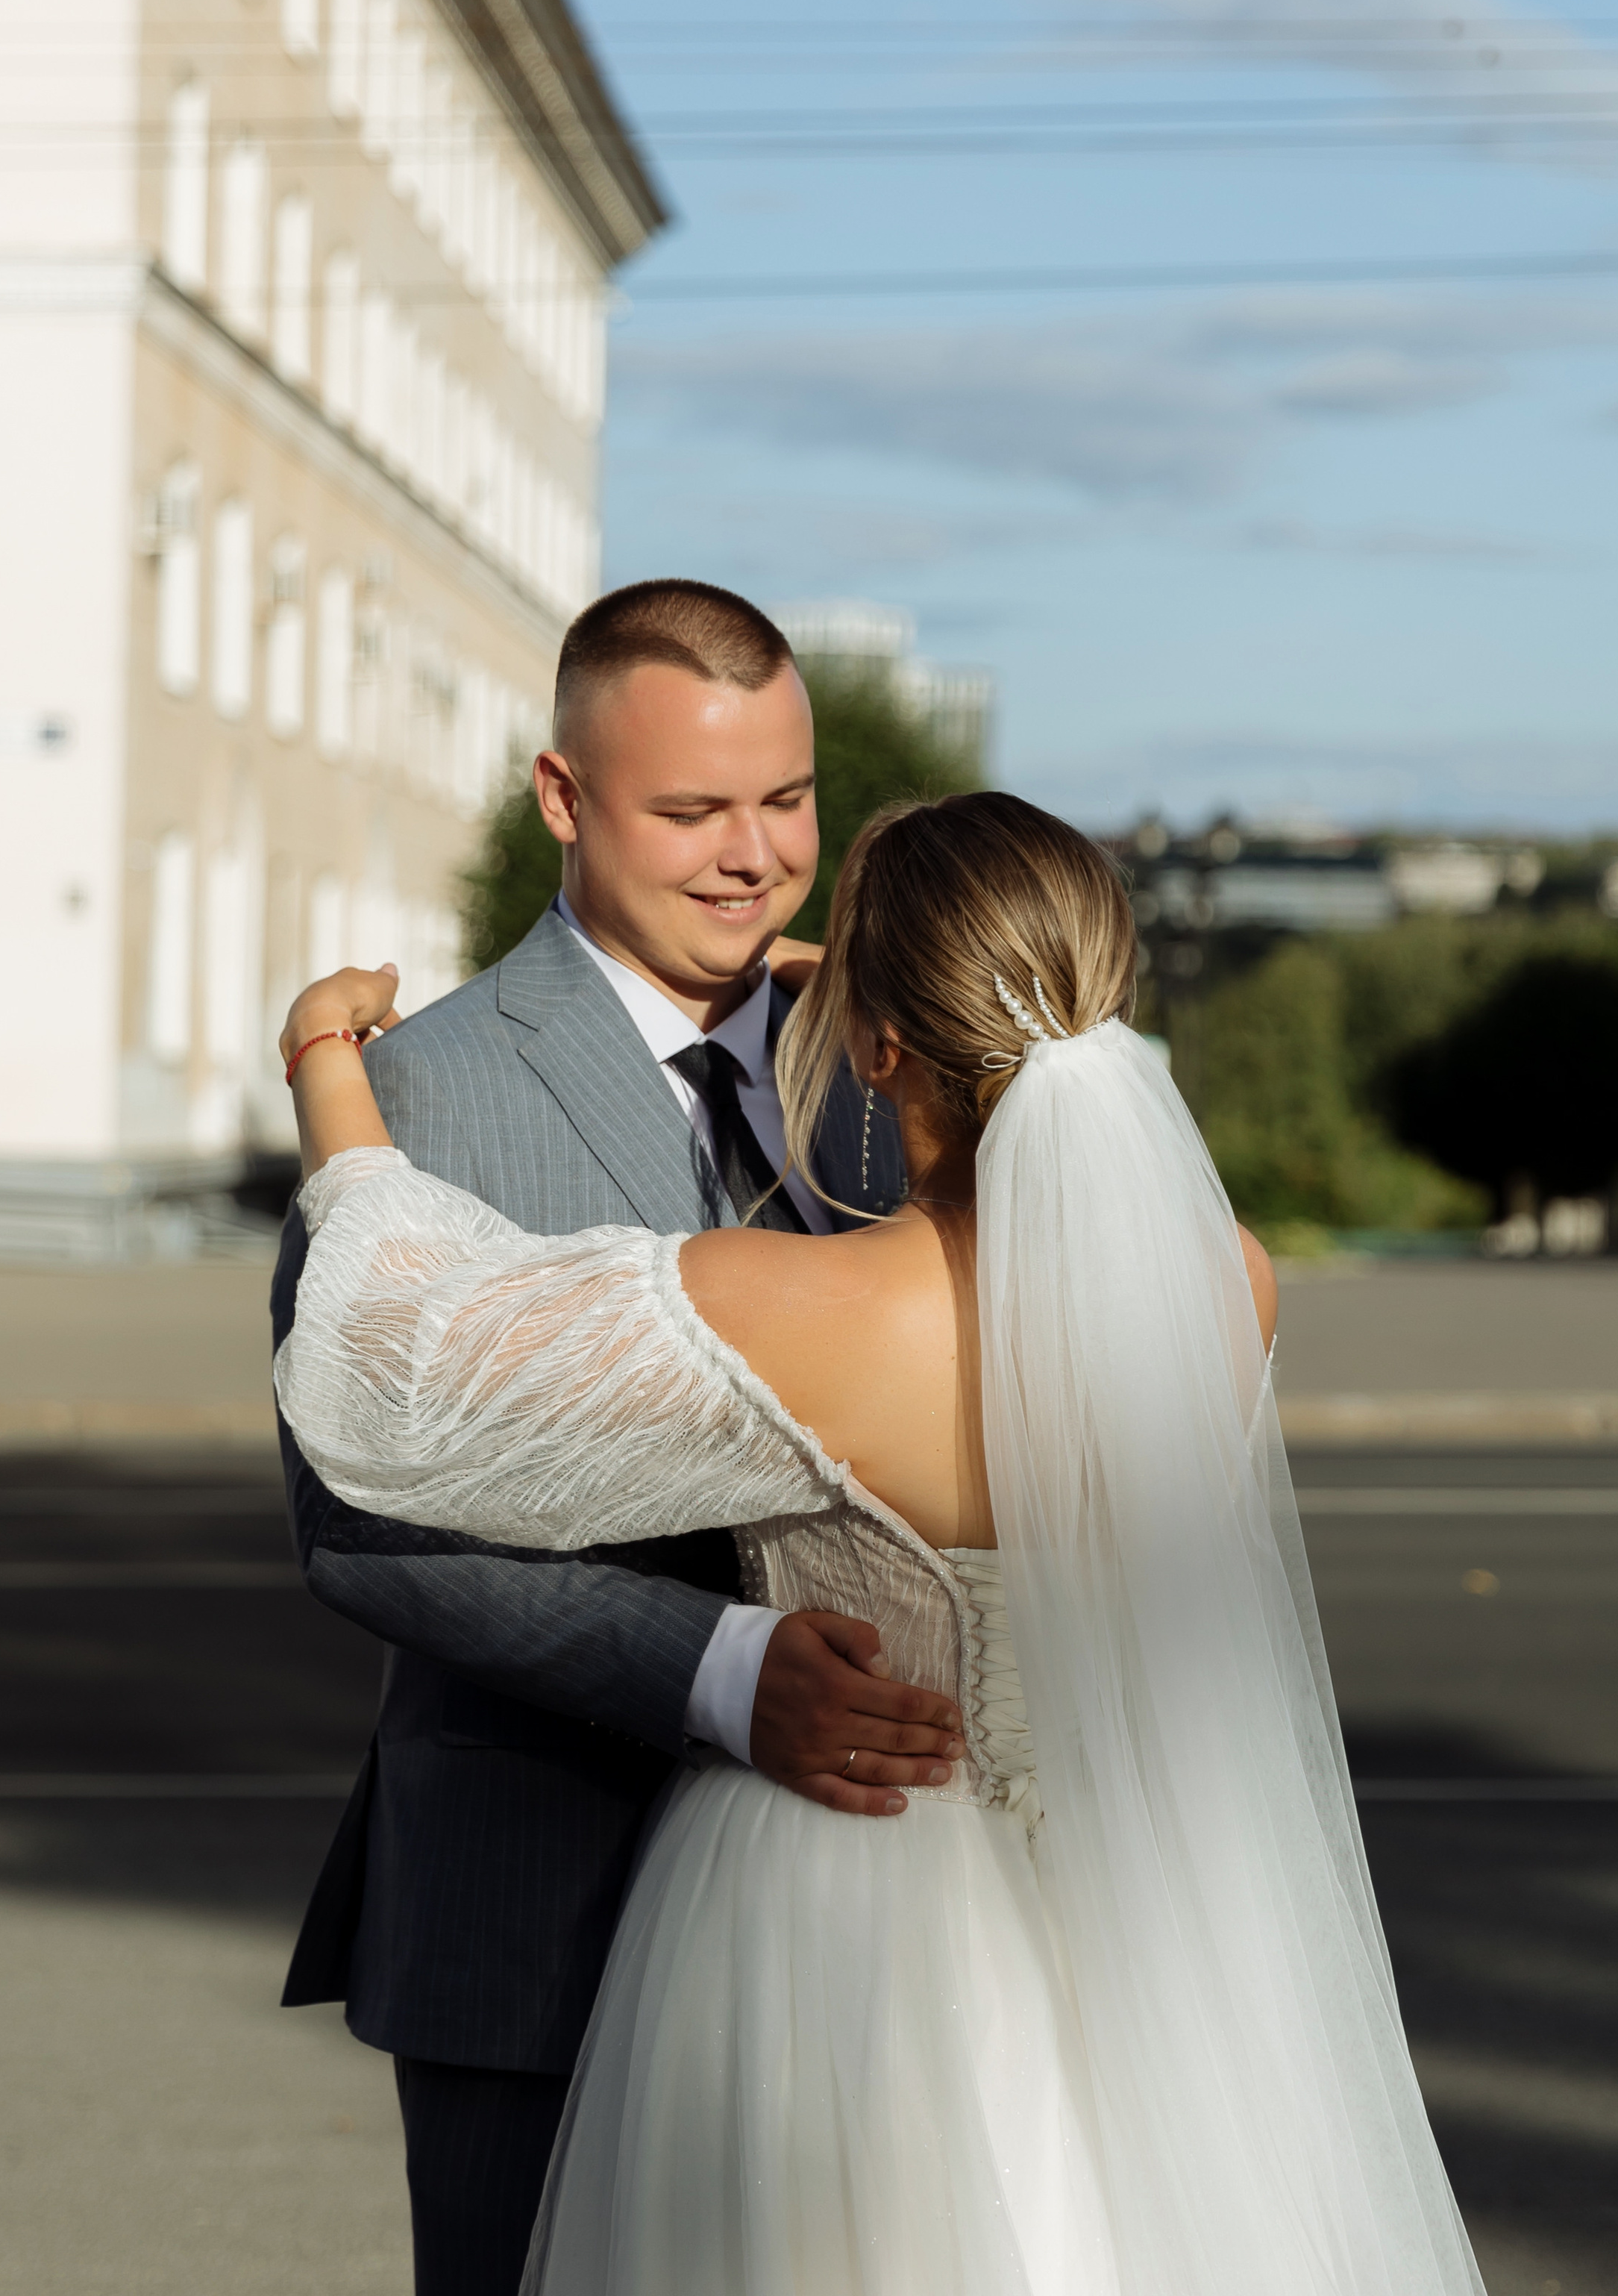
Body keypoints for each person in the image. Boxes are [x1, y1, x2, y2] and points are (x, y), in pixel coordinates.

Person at [276, 786, 1490, 2296]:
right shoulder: (1226, 1283)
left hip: (825, 1915)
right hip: (1116, 1916)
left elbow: (405, 1357)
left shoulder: (817, 1310)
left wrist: (329, 1069)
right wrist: (865, 991)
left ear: (877, 1045)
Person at [269, 580, 965, 2296]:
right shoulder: (412, 1092)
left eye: (786, 801)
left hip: (903, 1905)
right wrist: (728, 1674)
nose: (752, 855)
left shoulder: (906, 1064)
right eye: (691, 810)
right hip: (540, 1904)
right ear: (562, 799)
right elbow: (356, 1522)